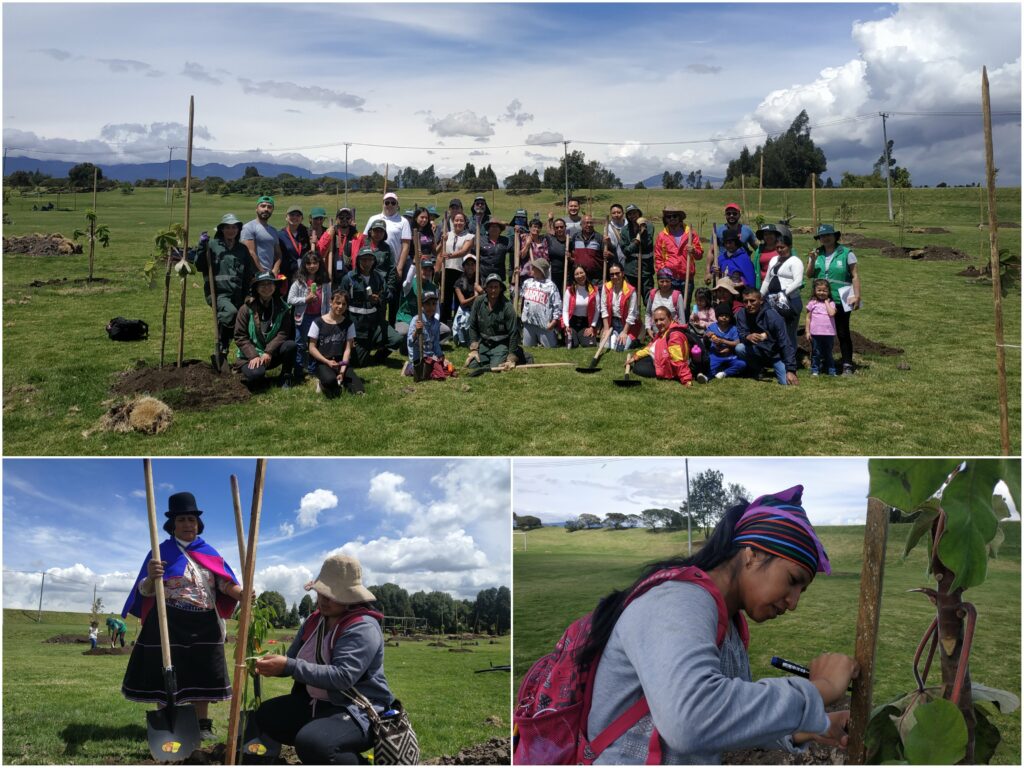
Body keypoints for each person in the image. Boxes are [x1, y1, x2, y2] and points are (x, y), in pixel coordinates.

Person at [578, 486, 855, 764]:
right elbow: (691, 721)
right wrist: (821, 688)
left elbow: (731, 718)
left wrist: (807, 728)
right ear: (753, 554)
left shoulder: (729, 622)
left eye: (801, 592)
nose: (793, 602)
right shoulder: (676, 600)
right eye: (793, 580)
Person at [121, 491, 243, 741]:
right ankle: (167, 721)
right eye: (182, 520)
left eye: (192, 519)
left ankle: (202, 724)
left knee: (204, 672)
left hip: (204, 620)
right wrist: (151, 576)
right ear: (172, 525)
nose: (188, 524)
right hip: (168, 621)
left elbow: (223, 583)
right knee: (164, 670)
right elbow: (143, 590)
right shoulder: (159, 552)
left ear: (198, 524)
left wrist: (242, 593)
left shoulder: (209, 551)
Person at [254, 554, 394, 765]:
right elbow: (291, 660)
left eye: (332, 595)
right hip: (317, 703)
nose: (324, 600)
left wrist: (289, 666)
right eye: (322, 593)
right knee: (266, 715)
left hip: (357, 708)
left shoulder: (362, 626)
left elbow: (343, 677)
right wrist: (269, 665)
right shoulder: (314, 621)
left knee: (314, 744)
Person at [195, 213, 257, 366]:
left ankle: (232, 351)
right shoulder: (213, 245)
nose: (231, 230)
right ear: (222, 229)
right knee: (230, 313)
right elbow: (199, 265)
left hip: (239, 294)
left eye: (234, 227)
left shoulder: (242, 249)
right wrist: (202, 247)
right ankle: (222, 346)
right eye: (228, 227)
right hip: (218, 293)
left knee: (243, 320)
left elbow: (249, 273)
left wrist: (250, 294)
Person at [806, 224, 861, 375]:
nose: (825, 238)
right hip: (820, 299)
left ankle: (847, 364)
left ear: (835, 236)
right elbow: (809, 275)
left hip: (842, 297)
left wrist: (857, 295)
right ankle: (821, 361)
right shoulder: (817, 253)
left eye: (828, 235)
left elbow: (855, 275)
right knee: (819, 331)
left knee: (842, 332)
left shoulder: (846, 253)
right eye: (822, 236)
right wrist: (811, 260)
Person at [339, 247, 404, 366]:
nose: (367, 263)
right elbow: (340, 303)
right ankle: (363, 349)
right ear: (358, 260)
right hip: (357, 327)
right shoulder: (348, 278)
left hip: (375, 325)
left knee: (397, 339)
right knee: (358, 363)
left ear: (374, 261)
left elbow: (387, 296)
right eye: (364, 259)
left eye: (370, 259)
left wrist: (379, 299)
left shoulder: (379, 278)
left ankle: (379, 356)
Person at [234, 271, 297, 388]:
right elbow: (240, 336)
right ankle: (254, 373)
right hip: (250, 356)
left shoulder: (283, 308)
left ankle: (286, 377)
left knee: (291, 345)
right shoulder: (246, 309)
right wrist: (253, 355)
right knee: (256, 376)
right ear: (256, 288)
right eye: (262, 285)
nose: (266, 287)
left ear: (275, 286)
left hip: (270, 355)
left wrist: (268, 351)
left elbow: (283, 333)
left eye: (270, 284)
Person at [735, 287, 798, 386]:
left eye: (752, 301)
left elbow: (785, 342)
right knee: (739, 348)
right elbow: (741, 332)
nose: (749, 305)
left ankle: (783, 369)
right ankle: (758, 369)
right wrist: (747, 336)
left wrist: (791, 370)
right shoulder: (741, 314)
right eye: (745, 301)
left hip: (775, 355)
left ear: (761, 301)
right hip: (757, 351)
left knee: (787, 383)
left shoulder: (773, 316)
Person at [308, 291, 365, 396]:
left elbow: (348, 349)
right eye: (337, 303)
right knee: (331, 385)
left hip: (341, 362)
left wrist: (342, 371)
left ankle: (341, 380)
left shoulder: (349, 324)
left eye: (344, 304)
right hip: (323, 362)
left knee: (359, 390)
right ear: (331, 302)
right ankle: (322, 383)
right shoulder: (317, 322)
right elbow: (312, 348)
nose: (340, 306)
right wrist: (327, 362)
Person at [466, 274, 525, 371]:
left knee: (496, 367)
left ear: (501, 288)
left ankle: (517, 353)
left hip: (501, 344)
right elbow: (472, 326)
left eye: (496, 287)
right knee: (473, 366)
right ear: (486, 288)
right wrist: (474, 349)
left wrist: (511, 357)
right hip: (484, 344)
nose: (493, 290)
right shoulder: (478, 302)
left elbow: (513, 333)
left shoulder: (507, 307)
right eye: (490, 287)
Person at [289, 252, 332, 380]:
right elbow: (290, 299)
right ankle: (298, 370)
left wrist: (328, 317)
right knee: (301, 344)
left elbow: (329, 300)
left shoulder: (324, 281)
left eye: (315, 263)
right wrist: (305, 300)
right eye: (308, 263)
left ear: (319, 264)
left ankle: (313, 370)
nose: (312, 266)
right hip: (304, 317)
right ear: (304, 265)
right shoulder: (299, 281)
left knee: (316, 345)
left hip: (319, 317)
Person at [761, 231, 805, 354]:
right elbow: (767, 280)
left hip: (790, 300)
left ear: (790, 247)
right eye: (777, 247)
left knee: (789, 331)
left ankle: (791, 358)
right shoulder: (774, 259)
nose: (780, 250)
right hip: (773, 300)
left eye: (782, 247)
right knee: (775, 329)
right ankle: (778, 356)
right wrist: (760, 295)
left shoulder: (795, 261)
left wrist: (783, 293)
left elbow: (798, 281)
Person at [625, 306, 692, 385]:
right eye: (656, 320)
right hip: (662, 360)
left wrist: (686, 379)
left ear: (670, 318)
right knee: (638, 361)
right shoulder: (664, 331)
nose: (658, 323)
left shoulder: (675, 336)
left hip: (669, 369)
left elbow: (677, 360)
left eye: (662, 319)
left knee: (637, 368)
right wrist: (636, 356)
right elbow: (651, 347)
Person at [654, 207, 703, 310]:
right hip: (669, 279)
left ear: (680, 217)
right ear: (666, 219)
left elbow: (699, 255)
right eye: (668, 216)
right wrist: (663, 274)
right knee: (669, 307)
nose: (672, 218)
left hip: (686, 277)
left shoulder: (690, 233)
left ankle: (684, 325)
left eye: (675, 216)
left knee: (684, 307)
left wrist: (694, 250)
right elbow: (658, 257)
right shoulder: (662, 236)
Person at [405, 291, 454, 379]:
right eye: (427, 304)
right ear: (421, 306)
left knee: (444, 367)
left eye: (434, 304)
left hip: (430, 355)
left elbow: (435, 343)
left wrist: (440, 355)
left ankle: (429, 368)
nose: (431, 307)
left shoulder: (436, 323)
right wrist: (416, 331)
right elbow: (410, 342)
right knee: (438, 372)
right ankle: (411, 368)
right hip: (418, 357)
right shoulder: (416, 320)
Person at [707, 203, 758, 285]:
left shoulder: (747, 230)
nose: (731, 215)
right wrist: (708, 271)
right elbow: (712, 251)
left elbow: (758, 249)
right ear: (725, 215)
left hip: (741, 269)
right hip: (722, 268)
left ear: (739, 215)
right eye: (728, 213)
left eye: (734, 213)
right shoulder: (718, 231)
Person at [520, 258, 562, 348]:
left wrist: (553, 323)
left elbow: (557, 306)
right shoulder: (527, 283)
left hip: (545, 325)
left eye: (534, 268)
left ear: (540, 270)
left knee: (550, 348)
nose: (532, 269)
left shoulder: (551, 286)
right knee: (527, 347)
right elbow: (521, 299)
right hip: (529, 323)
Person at [441, 212, 474, 326]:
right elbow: (439, 252)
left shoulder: (469, 236)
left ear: (465, 223)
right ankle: (444, 323)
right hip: (447, 269)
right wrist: (442, 241)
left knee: (459, 298)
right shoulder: (447, 235)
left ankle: (457, 323)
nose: (458, 222)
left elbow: (464, 251)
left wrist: (450, 255)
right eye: (456, 220)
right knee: (445, 298)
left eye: (461, 220)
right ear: (452, 221)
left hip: (461, 271)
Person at [701, 303, 747, 381]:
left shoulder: (733, 329)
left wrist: (723, 341)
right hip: (715, 355)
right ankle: (706, 377)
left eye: (727, 316)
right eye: (721, 315)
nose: (724, 318)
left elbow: (737, 342)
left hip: (729, 355)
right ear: (717, 316)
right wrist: (706, 336)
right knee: (710, 367)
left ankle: (724, 373)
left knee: (742, 364)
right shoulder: (712, 327)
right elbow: (705, 339)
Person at [601, 264, 640, 351]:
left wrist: (625, 332)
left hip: (627, 325)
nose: (615, 276)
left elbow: (632, 314)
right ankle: (614, 334)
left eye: (617, 273)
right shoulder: (606, 287)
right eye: (612, 274)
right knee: (606, 346)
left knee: (620, 348)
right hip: (613, 323)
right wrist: (606, 329)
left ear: (622, 273)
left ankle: (634, 339)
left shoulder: (631, 290)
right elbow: (603, 309)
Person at [319, 207, 359, 288]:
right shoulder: (331, 233)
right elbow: (320, 251)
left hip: (350, 278)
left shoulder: (356, 235)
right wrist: (328, 235)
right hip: (332, 278)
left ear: (351, 219)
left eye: (347, 217)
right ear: (336, 219)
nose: (344, 219)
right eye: (341, 217)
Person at [241, 196, 283, 274]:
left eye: (269, 207)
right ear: (256, 208)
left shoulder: (273, 231)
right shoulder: (248, 227)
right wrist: (263, 273)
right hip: (254, 274)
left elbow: (278, 254)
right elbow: (251, 253)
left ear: (272, 210)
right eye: (263, 206)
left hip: (269, 274)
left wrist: (275, 269)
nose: (266, 209)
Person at [620, 205, 655, 298]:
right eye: (630, 214)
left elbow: (647, 244)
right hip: (630, 270)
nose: (633, 216)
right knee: (630, 297)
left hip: (646, 269)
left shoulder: (649, 226)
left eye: (634, 213)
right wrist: (636, 242)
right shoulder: (624, 230)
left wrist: (642, 232)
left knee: (649, 297)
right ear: (627, 216)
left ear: (639, 213)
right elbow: (626, 251)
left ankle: (649, 313)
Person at [805, 279, 838, 376]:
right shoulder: (812, 303)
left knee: (828, 353)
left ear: (828, 292)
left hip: (829, 333)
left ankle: (832, 371)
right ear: (815, 290)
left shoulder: (831, 303)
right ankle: (815, 370)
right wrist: (807, 331)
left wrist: (827, 302)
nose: (822, 293)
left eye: (824, 291)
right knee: (816, 353)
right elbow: (808, 318)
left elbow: (832, 313)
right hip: (815, 333)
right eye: (819, 290)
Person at [562, 265, 600, 348]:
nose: (580, 276)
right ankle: (573, 336)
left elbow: (597, 310)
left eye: (581, 273)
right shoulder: (570, 290)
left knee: (590, 344)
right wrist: (567, 325)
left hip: (585, 323)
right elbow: (565, 310)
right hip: (572, 322)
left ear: (585, 273)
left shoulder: (594, 290)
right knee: (572, 345)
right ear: (574, 276)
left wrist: (592, 327)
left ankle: (580, 337)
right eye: (576, 274)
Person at [645, 268, 686, 338]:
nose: (664, 284)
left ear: (671, 282)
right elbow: (648, 313)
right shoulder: (652, 294)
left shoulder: (677, 296)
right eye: (662, 281)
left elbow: (682, 319)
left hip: (672, 334)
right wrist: (648, 329)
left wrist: (679, 335)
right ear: (657, 281)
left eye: (667, 281)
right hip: (656, 334)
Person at [452, 254, 483, 346]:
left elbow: (486, 296)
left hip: (478, 310)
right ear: (464, 266)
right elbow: (462, 302)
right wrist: (475, 297)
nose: (470, 267)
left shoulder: (480, 279)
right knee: (462, 336)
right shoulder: (458, 282)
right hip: (464, 310)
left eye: (472, 264)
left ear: (476, 266)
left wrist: (480, 290)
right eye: (467, 264)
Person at [569, 215, 606, 285]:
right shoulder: (576, 237)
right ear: (581, 225)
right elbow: (573, 253)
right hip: (580, 277)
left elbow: (605, 254)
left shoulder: (599, 238)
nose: (588, 225)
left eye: (591, 223)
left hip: (596, 278)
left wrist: (608, 254)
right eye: (586, 223)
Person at [278, 205, 311, 280]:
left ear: (302, 218)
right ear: (286, 217)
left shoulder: (307, 233)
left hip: (304, 274)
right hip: (286, 275)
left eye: (298, 215)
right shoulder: (280, 235)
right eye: (292, 215)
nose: (295, 217)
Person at [479, 218, 511, 283]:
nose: (494, 228)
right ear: (488, 229)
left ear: (500, 230)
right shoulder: (481, 240)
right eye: (492, 227)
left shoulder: (505, 240)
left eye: (496, 227)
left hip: (499, 276)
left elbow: (515, 251)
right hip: (483, 276)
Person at [751, 223, 781, 289]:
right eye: (766, 234)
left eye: (771, 234)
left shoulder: (782, 248)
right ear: (763, 237)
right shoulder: (759, 250)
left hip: (780, 283)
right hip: (763, 284)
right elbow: (756, 268)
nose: (768, 236)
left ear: (775, 235)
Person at [544, 217, 570, 294]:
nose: (559, 229)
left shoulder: (569, 241)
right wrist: (549, 220)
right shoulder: (550, 239)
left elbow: (575, 258)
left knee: (564, 296)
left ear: (565, 227)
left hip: (565, 275)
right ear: (554, 229)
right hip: (552, 274)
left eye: (561, 227)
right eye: (557, 227)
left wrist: (570, 257)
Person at [604, 203, 628, 269]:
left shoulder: (629, 225)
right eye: (614, 213)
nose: (616, 215)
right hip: (615, 261)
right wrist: (608, 242)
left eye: (619, 212)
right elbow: (611, 247)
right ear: (611, 215)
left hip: (629, 261)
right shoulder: (608, 228)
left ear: (623, 213)